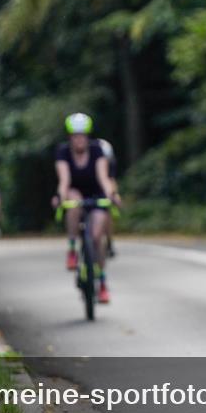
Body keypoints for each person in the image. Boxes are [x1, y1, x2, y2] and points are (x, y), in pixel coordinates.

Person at [53, 113, 121, 303]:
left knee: (97, 237)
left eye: (82, 135)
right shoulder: (63, 152)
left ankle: (102, 281)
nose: (79, 139)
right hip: (76, 192)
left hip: (97, 193)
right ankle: (73, 249)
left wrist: (111, 195)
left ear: (88, 136)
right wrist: (60, 196)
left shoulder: (97, 150)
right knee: (73, 201)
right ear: (70, 137)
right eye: (75, 136)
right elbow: (64, 180)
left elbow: (104, 177)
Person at [97, 138, 119, 258]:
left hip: (102, 189)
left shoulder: (110, 162)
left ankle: (109, 241)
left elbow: (111, 179)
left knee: (107, 212)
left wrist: (114, 194)